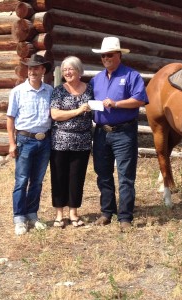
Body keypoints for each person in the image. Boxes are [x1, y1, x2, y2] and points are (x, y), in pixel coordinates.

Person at [90, 37, 149, 232]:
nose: (106, 58)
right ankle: (107, 212)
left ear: (119, 55)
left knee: (126, 175)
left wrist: (116, 104)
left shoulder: (131, 75)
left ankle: (125, 217)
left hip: (124, 132)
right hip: (100, 132)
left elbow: (140, 99)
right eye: (103, 55)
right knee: (103, 174)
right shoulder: (96, 80)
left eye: (110, 55)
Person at [6, 54, 53, 235]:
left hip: (44, 141)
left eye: (37, 68)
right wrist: (12, 143)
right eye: (30, 68)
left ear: (43, 70)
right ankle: (19, 218)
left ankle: (32, 215)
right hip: (25, 140)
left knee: (37, 181)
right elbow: (10, 119)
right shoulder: (18, 91)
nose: (33, 71)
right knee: (21, 180)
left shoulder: (49, 91)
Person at [50, 56, 93, 228]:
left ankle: (73, 213)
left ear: (79, 71)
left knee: (77, 177)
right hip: (60, 140)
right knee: (59, 177)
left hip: (82, 141)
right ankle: (59, 214)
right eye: (65, 69)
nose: (67, 72)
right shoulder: (59, 90)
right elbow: (55, 115)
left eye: (71, 69)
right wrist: (78, 111)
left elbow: (95, 110)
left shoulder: (89, 89)